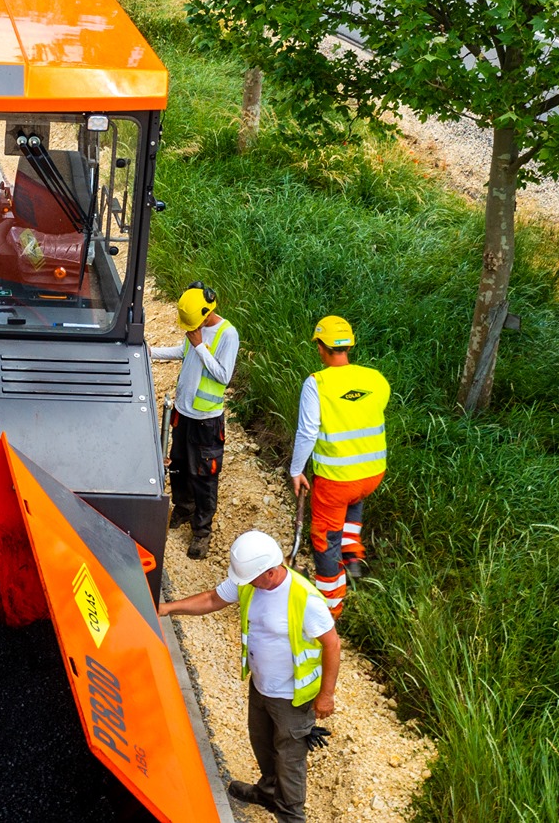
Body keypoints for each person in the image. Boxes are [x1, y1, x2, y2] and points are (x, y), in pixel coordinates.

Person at [159, 530, 339, 823]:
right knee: (262, 743)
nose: (245, 584)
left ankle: (291, 815)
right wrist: (168, 608)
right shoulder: (250, 582)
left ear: (270, 572)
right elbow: (211, 599)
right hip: (261, 687)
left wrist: (326, 695)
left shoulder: (304, 599)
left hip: (292, 697)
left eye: (251, 579)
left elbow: (332, 643)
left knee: (289, 760)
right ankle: (268, 791)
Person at [289, 315, 390, 617]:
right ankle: (353, 556)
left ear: (321, 347)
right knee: (353, 503)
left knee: (324, 539)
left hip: (336, 481)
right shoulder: (375, 378)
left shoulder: (316, 383)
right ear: (348, 346)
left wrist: (296, 470)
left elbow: (307, 432)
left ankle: (329, 609)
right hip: (372, 474)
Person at [150, 282, 239, 558]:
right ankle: (184, 508)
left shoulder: (227, 334)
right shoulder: (194, 331)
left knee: (204, 475)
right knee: (178, 466)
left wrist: (200, 346)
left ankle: (201, 531)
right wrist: (150, 351)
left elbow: (223, 376)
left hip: (206, 421)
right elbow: (182, 352)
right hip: (184, 414)